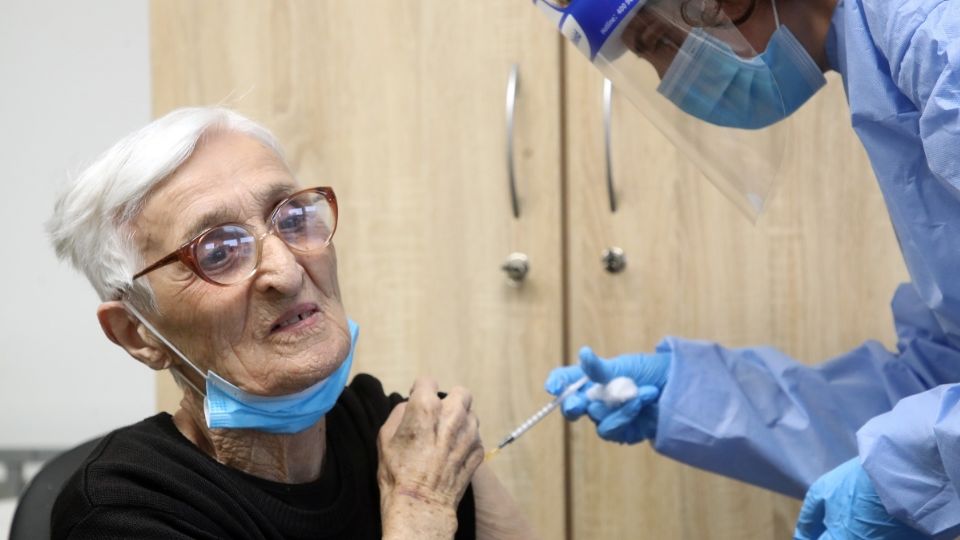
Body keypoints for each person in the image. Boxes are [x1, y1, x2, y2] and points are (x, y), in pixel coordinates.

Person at [539, 0, 960, 536]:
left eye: (652, 44)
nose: (667, 78)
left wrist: (908, 471)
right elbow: (935, 389)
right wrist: (691, 393)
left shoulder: (938, 42)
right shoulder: (879, 64)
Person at [47, 107, 536, 539]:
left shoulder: (397, 431)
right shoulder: (123, 510)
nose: (285, 270)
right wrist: (419, 510)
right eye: (217, 252)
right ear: (137, 333)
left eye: (293, 217)